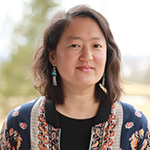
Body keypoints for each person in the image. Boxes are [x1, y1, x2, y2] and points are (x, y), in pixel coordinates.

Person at [0, 4, 150, 150]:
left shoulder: (134, 125)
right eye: (75, 45)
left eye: (96, 45)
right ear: (53, 56)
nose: (87, 56)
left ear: (107, 55)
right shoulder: (19, 123)